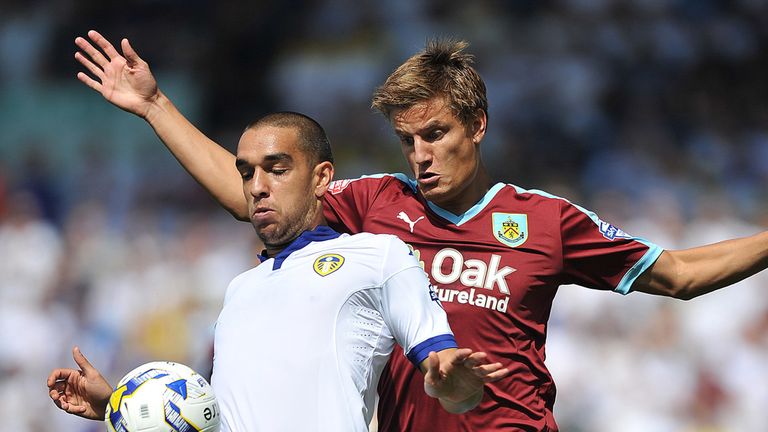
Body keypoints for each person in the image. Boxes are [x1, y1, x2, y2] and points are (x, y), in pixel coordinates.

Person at [73, 30, 768, 431]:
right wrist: (155, 105)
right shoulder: (376, 206)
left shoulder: (546, 219)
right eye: (408, 140)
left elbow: (678, 274)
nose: (421, 154)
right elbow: (250, 195)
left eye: (436, 134)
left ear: (478, 126)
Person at [47, 111, 510, 431]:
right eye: (246, 173)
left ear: (322, 177)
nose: (258, 187)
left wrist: (455, 383)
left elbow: (448, 377)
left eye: (277, 169)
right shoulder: (239, 288)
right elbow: (215, 417)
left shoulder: (379, 256)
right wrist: (119, 406)